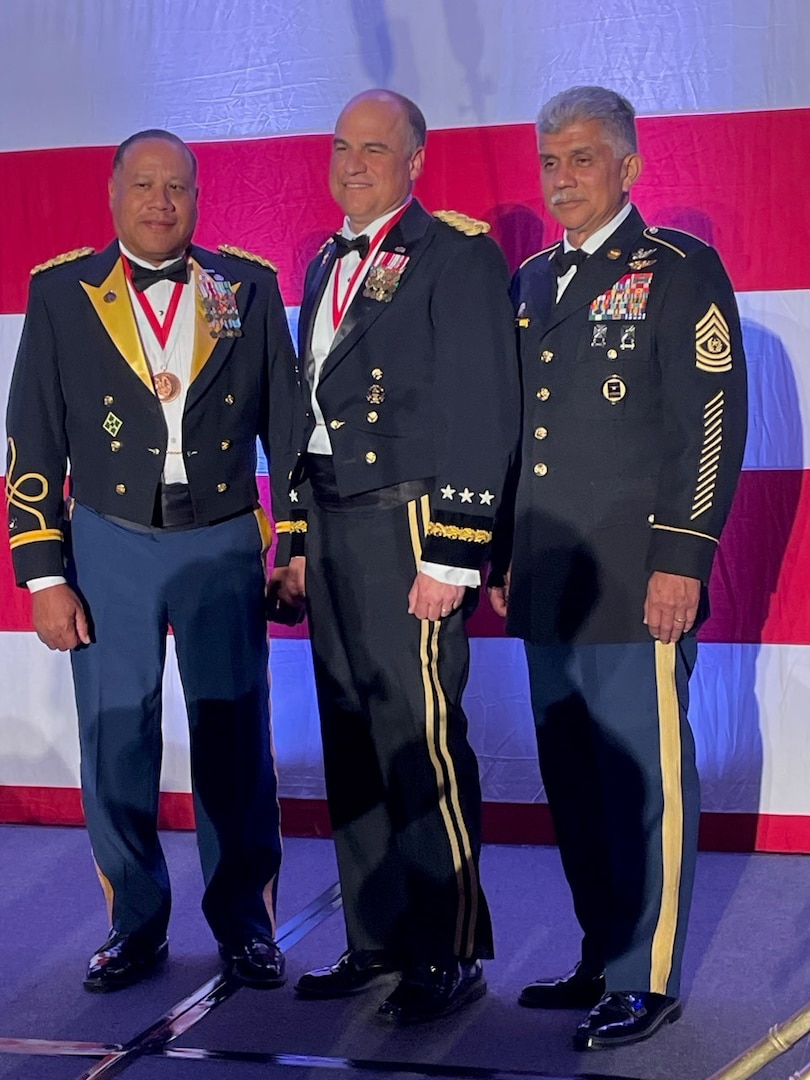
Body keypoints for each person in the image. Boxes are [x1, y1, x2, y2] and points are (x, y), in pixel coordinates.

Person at [5, 129, 299, 992]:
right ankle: (135, 923)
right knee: (115, 737)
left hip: (219, 539)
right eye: (145, 185)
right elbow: (33, 436)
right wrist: (45, 573)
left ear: (199, 197)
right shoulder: (60, 292)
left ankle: (246, 924)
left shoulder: (245, 285)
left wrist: (300, 545)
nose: (161, 201)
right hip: (107, 542)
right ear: (114, 192)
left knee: (233, 736)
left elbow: (286, 431)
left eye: (177, 186)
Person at [488, 86, 747, 1049]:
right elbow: (522, 437)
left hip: (641, 581)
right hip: (551, 580)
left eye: (583, 159)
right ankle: (603, 955)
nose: (562, 178)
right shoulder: (529, 283)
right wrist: (507, 555)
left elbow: (709, 427)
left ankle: (648, 977)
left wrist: (684, 557)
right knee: (576, 781)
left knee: (643, 782)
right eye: (550, 161)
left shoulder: (681, 272)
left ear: (630, 168)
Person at [269, 89, 520, 1023]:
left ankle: (448, 947)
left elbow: (482, 410)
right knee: (350, 735)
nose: (353, 163)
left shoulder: (454, 257)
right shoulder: (323, 259)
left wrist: (453, 555)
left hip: (409, 524)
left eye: (375, 149)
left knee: (420, 739)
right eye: (341, 146)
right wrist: (293, 535)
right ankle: (376, 934)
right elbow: (304, 417)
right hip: (332, 525)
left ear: (416, 160)